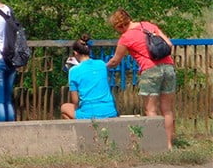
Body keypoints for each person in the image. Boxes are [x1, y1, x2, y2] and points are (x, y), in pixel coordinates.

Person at [105, 9, 175, 149]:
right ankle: (168, 145)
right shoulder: (147, 25)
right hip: (168, 67)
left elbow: (115, 61)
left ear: (120, 25)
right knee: (167, 110)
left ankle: (156, 146)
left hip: (150, 71)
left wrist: (100, 67)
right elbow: (169, 44)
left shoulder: (125, 38)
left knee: (151, 110)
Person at [60, 34, 117, 120]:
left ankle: (80, 130)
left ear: (75, 53)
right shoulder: (101, 64)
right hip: (110, 111)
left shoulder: (74, 71)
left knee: (64, 108)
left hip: (90, 113)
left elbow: (75, 101)